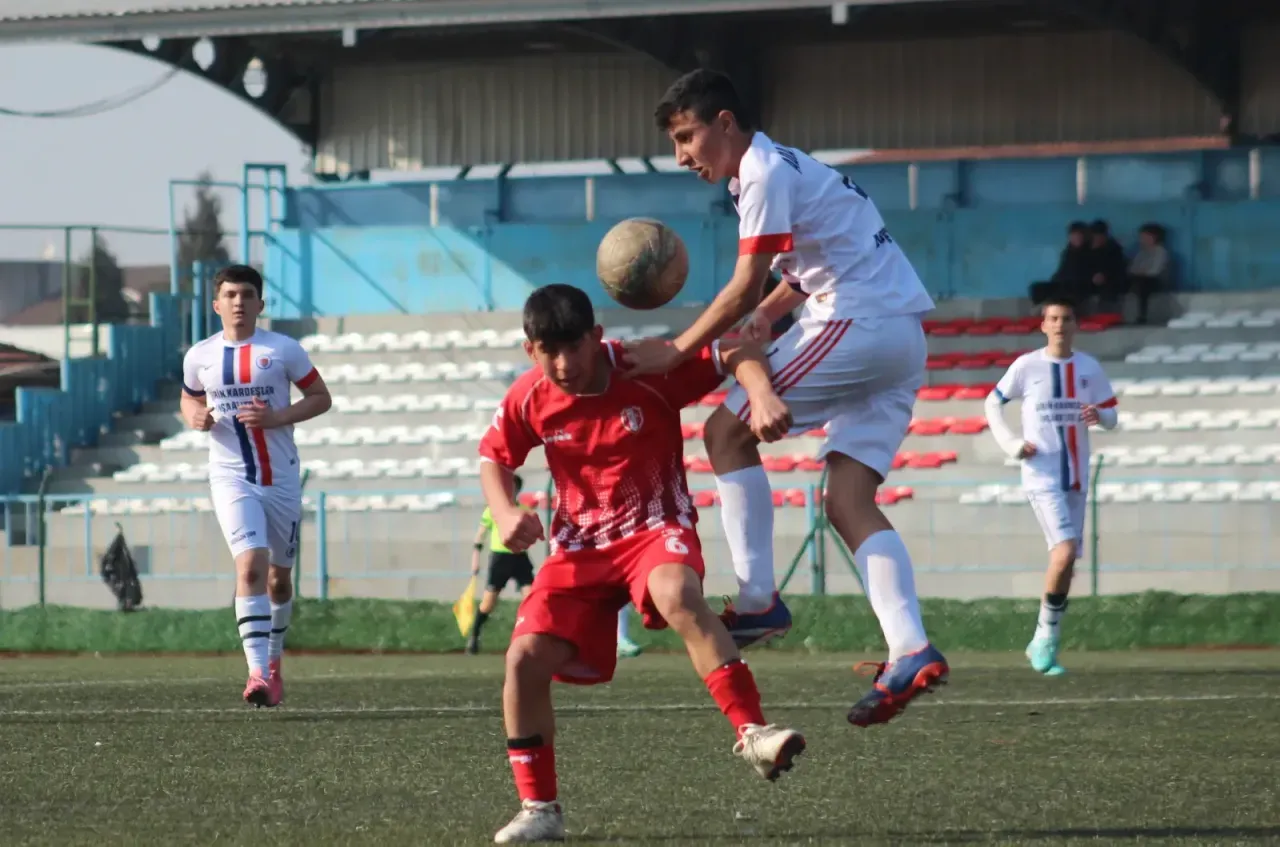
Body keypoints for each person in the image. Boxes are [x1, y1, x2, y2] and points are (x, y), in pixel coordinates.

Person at [625, 68, 947, 729]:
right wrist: (761, 323)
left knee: (724, 433)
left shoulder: (765, 173)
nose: (684, 156)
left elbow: (744, 286)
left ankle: (757, 598)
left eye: (688, 137)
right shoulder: (777, 169)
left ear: (724, 123)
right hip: (898, 335)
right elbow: (792, 281)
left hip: (859, 320)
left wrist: (678, 348)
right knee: (848, 499)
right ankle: (911, 648)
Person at [479, 284, 804, 844]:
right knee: (522, 660)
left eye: (573, 348)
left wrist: (762, 394)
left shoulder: (646, 365)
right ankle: (539, 809)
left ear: (597, 338)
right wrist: (504, 510)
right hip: (579, 549)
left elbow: (736, 349)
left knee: (677, 592)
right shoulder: (530, 394)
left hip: (656, 529)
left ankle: (753, 732)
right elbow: (493, 456)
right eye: (547, 351)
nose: (562, 364)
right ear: (530, 349)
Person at [180, 265, 332, 707]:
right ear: (216, 304)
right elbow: (189, 396)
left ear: (260, 304)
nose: (238, 302)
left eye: (247, 294)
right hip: (230, 475)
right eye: (230, 295)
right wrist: (193, 415)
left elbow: (321, 397)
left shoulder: (283, 349)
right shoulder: (200, 356)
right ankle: (257, 674)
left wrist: (276, 418)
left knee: (279, 581)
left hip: (280, 476)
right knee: (250, 567)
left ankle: (274, 661)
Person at [982, 297, 1118, 675]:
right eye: (1053, 318)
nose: (1060, 324)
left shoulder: (1088, 367)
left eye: (1067, 318)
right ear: (1043, 325)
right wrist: (1011, 444)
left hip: (1076, 472)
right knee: (1064, 551)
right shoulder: (1027, 366)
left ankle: (1045, 639)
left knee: (1067, 560)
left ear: (1076, 324)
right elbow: (993, 403)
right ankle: (1045, 640)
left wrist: (1101, 414)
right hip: (1041, 473)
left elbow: (1112, 416)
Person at [468, 474, 537, 655]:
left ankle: (526, 640)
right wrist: (475, 560)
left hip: (520, 558)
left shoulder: (523, 510)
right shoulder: (493, 510)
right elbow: (479, 538)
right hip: (500, 559)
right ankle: (474, 637)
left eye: (513, 486)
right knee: (488, 603)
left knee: (532, 600)